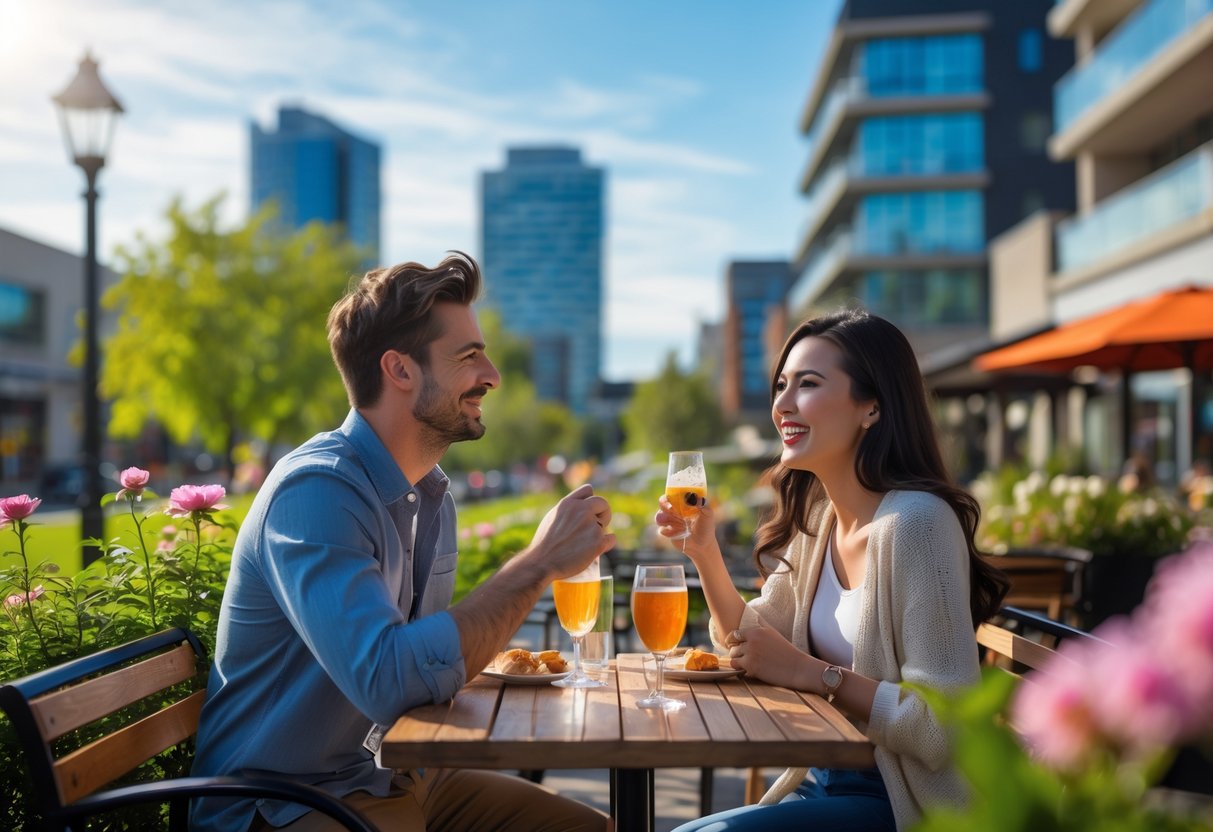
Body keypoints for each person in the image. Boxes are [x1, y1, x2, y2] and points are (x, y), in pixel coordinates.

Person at [191, 252, 613, 832]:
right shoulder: (315, 494)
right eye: (469, 357)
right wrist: (538, 564)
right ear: (400, 370)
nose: (491, 375)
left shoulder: (431, 498)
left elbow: (420, 668)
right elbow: (391, 680)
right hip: (285, 805)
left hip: (392, 776)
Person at [657, 310, 1008, 832]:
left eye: (809, 384)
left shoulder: (916, 525)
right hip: (822, 779)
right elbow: (750, 641)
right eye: (781, 386)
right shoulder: (820, 522)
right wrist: (704, 553)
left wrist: (810, 673)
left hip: (902, 800)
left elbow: (944, 730)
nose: (782, 405)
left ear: (871, 407)